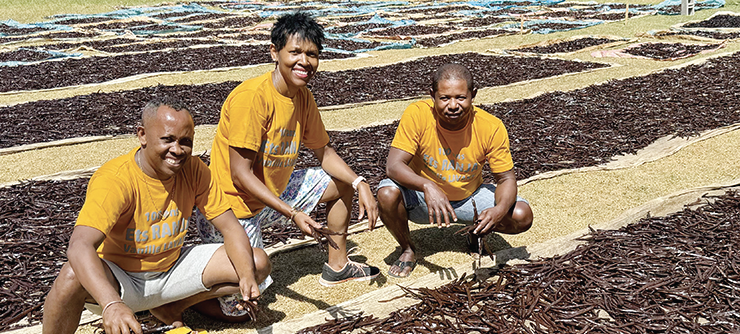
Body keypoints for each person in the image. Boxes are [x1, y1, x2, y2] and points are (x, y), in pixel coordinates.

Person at [15, 97, 271, 334]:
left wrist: (246, 279)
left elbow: (232, 229)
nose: (177, 150)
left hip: (171, 269)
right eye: (168, 140)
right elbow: (79, 245)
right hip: (123, 283)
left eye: (186, 141)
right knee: (70, 276)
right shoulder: (116, 178)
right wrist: (111, 304)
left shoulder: (195, 171)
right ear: (142, 135)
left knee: (257, 262)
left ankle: (170, 307)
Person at [193, 11, 380, 289]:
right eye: (295, 52)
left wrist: (359, 182)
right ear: (274, 53)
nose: (304, 61)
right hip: (232, 209)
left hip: (270, 197)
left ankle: (338, 267)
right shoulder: (252, 99)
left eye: (312, 54)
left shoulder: (302, 97)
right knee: (249, 292)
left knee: (341, 181)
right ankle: (173, 304)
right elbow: (240, 174)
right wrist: (292, 213)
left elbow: (324, 152)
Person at [377, 63, 534, 278]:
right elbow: (393, 166)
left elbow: (506, 178)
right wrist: (427, 185)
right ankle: (407, 248)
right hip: (424, 200)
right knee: (386, 194)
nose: (452, 105)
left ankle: (474, 233)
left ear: (473, 95)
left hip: (470, 198)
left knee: (521, 215)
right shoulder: (417, 114)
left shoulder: (491, 126)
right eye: (444, 98)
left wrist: (498, 212)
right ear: (432, 95)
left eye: (460, 97)